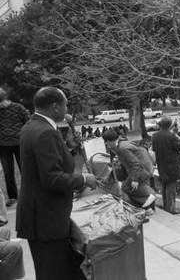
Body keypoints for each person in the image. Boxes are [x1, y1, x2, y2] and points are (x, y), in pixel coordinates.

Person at [16, 86, 98, 280]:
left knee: (65, 269)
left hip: (40, 217)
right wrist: (84, 179)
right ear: (55, 106)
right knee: (53, 273)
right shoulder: (45, 132)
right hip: (46, 220)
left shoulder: (32, 126)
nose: (67, 110)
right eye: (65, 105)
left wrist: (68, 146)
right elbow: (52, 178)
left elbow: (46, 164)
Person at [102, 129, 157, 212]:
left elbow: (135, 164)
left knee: (126, 187)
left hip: (141, 168)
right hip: (143, 166)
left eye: (106, 142)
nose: (106, 144)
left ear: (109, 141)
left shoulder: (122, 148)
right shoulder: (121, 142)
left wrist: (134, 179)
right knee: (134, 186)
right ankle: (148, 206)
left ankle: (146, 199)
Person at [0, 88, 30, 206]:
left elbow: (28, 122)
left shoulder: (18, 108)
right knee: (8, 172)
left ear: (5, 99)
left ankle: (29, 194)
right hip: (3, 146)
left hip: (20, 144)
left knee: (25, 170)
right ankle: (13, 198)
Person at [152, 116, 180, 215]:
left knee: (164, 185)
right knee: (171, 187)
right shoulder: (171, 136)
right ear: (170, 125)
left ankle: (166, 206)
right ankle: (171, 208)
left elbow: (154, 149)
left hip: (161, 164)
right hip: (172, 165)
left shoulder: (155, 135)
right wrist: (176, 135)